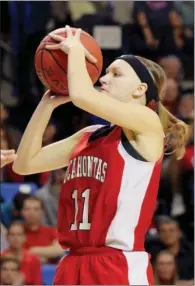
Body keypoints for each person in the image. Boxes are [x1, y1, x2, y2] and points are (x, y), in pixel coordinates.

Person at [13, 26, 188, 285]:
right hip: (72, 262)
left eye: (115, 74)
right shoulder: (90, 135)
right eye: (105, 73)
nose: (103, 79)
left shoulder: (147, 125)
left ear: (140, 89)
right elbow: (25, 163)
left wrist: (74, 51)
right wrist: (45, 105)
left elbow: (83, 96)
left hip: (115, 264)